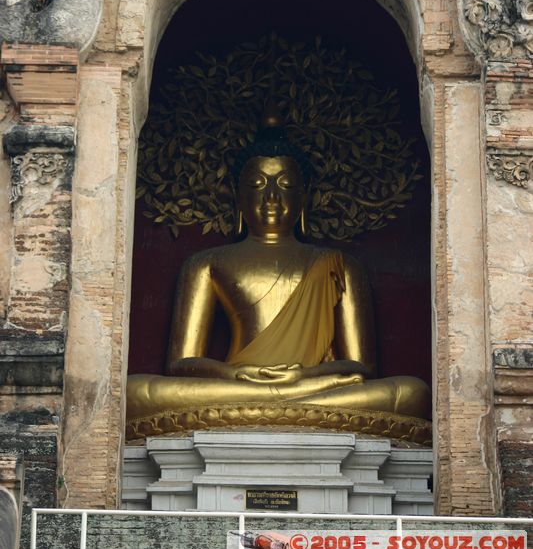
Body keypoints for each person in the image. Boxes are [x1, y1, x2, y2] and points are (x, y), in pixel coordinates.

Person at [127, 114, 430, 424]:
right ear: (238, 197)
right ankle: (283, 405)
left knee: (410, 393)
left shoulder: (338, 265)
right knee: (136, 392)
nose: (271, 196)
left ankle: (280, 402)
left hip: (311, 386)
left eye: (285, 184)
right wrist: (234, 373)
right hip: (238, 386)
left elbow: (361, 367)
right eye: (257, 184)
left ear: (304, 198)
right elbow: (180, 363)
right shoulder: (206, 263)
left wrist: (304, 375)